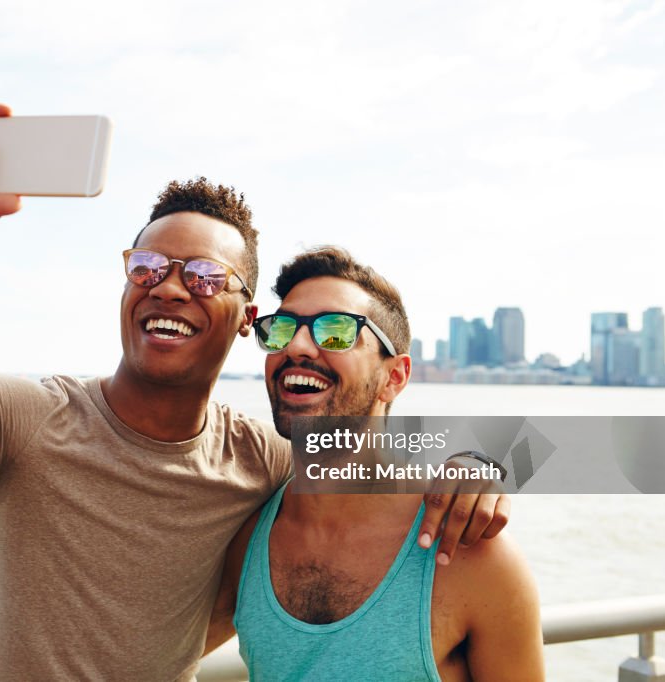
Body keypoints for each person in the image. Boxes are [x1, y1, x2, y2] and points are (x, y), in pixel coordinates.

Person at [0, 102, 511, 681]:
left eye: (204, 277)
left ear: (246, 322)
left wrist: (477, 469)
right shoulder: (26, 420)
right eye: (145, 267)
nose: (168, 286)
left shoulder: (261, 461)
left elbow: (369, 450)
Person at [207, 247, 543, 681]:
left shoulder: (472, 554)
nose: (298, 345)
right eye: (283, 328)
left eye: (336, 331)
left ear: (395, 377)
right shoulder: (249, 540)